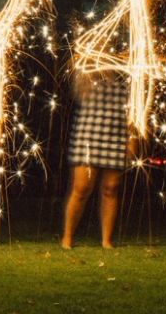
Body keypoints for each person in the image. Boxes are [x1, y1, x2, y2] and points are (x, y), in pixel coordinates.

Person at [60, 68, 137, 249]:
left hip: (117, 134)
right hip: (87, 133)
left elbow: (133, 109)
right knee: (81, 187)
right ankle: (67, 237)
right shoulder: (88, 71)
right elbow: (78, 84)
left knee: (111, 188)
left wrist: (132, 139)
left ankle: (106, 240)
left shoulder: (126, 74)